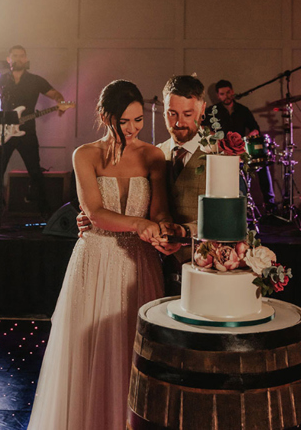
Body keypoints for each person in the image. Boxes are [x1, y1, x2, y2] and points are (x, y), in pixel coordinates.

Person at [27, 80, 169, 430]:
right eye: (125, 121)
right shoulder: (84, 155)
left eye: (138, 119)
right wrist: (140, 223)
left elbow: (161, 209)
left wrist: (163, 226)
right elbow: (94, 213)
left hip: (140, 263)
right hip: (95, 257)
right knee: (92, 352)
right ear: (107, 117)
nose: (133, 128)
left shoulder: (153, 155)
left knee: (133, 352)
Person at [78, 75, 210, 294]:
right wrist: (94, 217)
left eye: (188, 114)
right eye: (171, 113)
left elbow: (231, 217)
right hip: (151, 262)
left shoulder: (223, 153)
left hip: (203, 267)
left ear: (202, 108)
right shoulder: (159, 151)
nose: (178, 122)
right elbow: (104, 210)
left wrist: (180, 232)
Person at [0, 45, 69, 216]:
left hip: (27, 132)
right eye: (14, 56)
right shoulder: (1, 81)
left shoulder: (35, 80)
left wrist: (60, 102)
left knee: (35, 171)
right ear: (9, 59)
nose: (18, 59)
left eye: (21, 56)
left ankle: (46, 214)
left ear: (26, 60)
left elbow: (56, 94)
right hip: (3, 132)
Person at [205, 79, 275, 210]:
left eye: (228, 92)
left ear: (232, 92)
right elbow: (202, 128)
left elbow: (255, 129)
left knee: (262, 162)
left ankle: (270, 205)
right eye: (222, 94)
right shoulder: (212, 111)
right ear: (217, 96)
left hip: (241, 150)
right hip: (223, 153)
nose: (226, 96)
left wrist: (251, 134)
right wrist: (211, 134)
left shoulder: (243, 110)